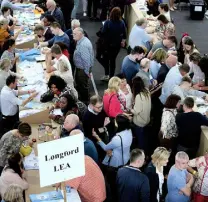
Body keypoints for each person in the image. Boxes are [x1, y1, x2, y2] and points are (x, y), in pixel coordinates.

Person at [100, 7, 126, 80]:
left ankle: (106, 74)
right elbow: (124, 34)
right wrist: (123, 41)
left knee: (106, 59)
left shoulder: (108, 22)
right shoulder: (122, 23)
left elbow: (103, 33)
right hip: (116, 46)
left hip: (107, 45)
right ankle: (111, 76)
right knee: (113, 60)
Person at [73, 27, 94, 104]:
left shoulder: (83, 45)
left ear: (80, 34)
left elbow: (86, 60)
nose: (73, 35)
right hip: (82, 69)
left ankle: (85, 102)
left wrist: (86, 72)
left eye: (75, 34)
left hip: (82, 70)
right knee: (81, 85)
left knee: (83, 86)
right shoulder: (82, 41)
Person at [131, 76, 151, 150]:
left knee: (141, 140)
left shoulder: (139, 96)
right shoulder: (146, 91)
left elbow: (136, 112)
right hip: (147, 119)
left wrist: (130, 109)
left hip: (140, 122)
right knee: (145, 137)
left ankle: (142, 152)